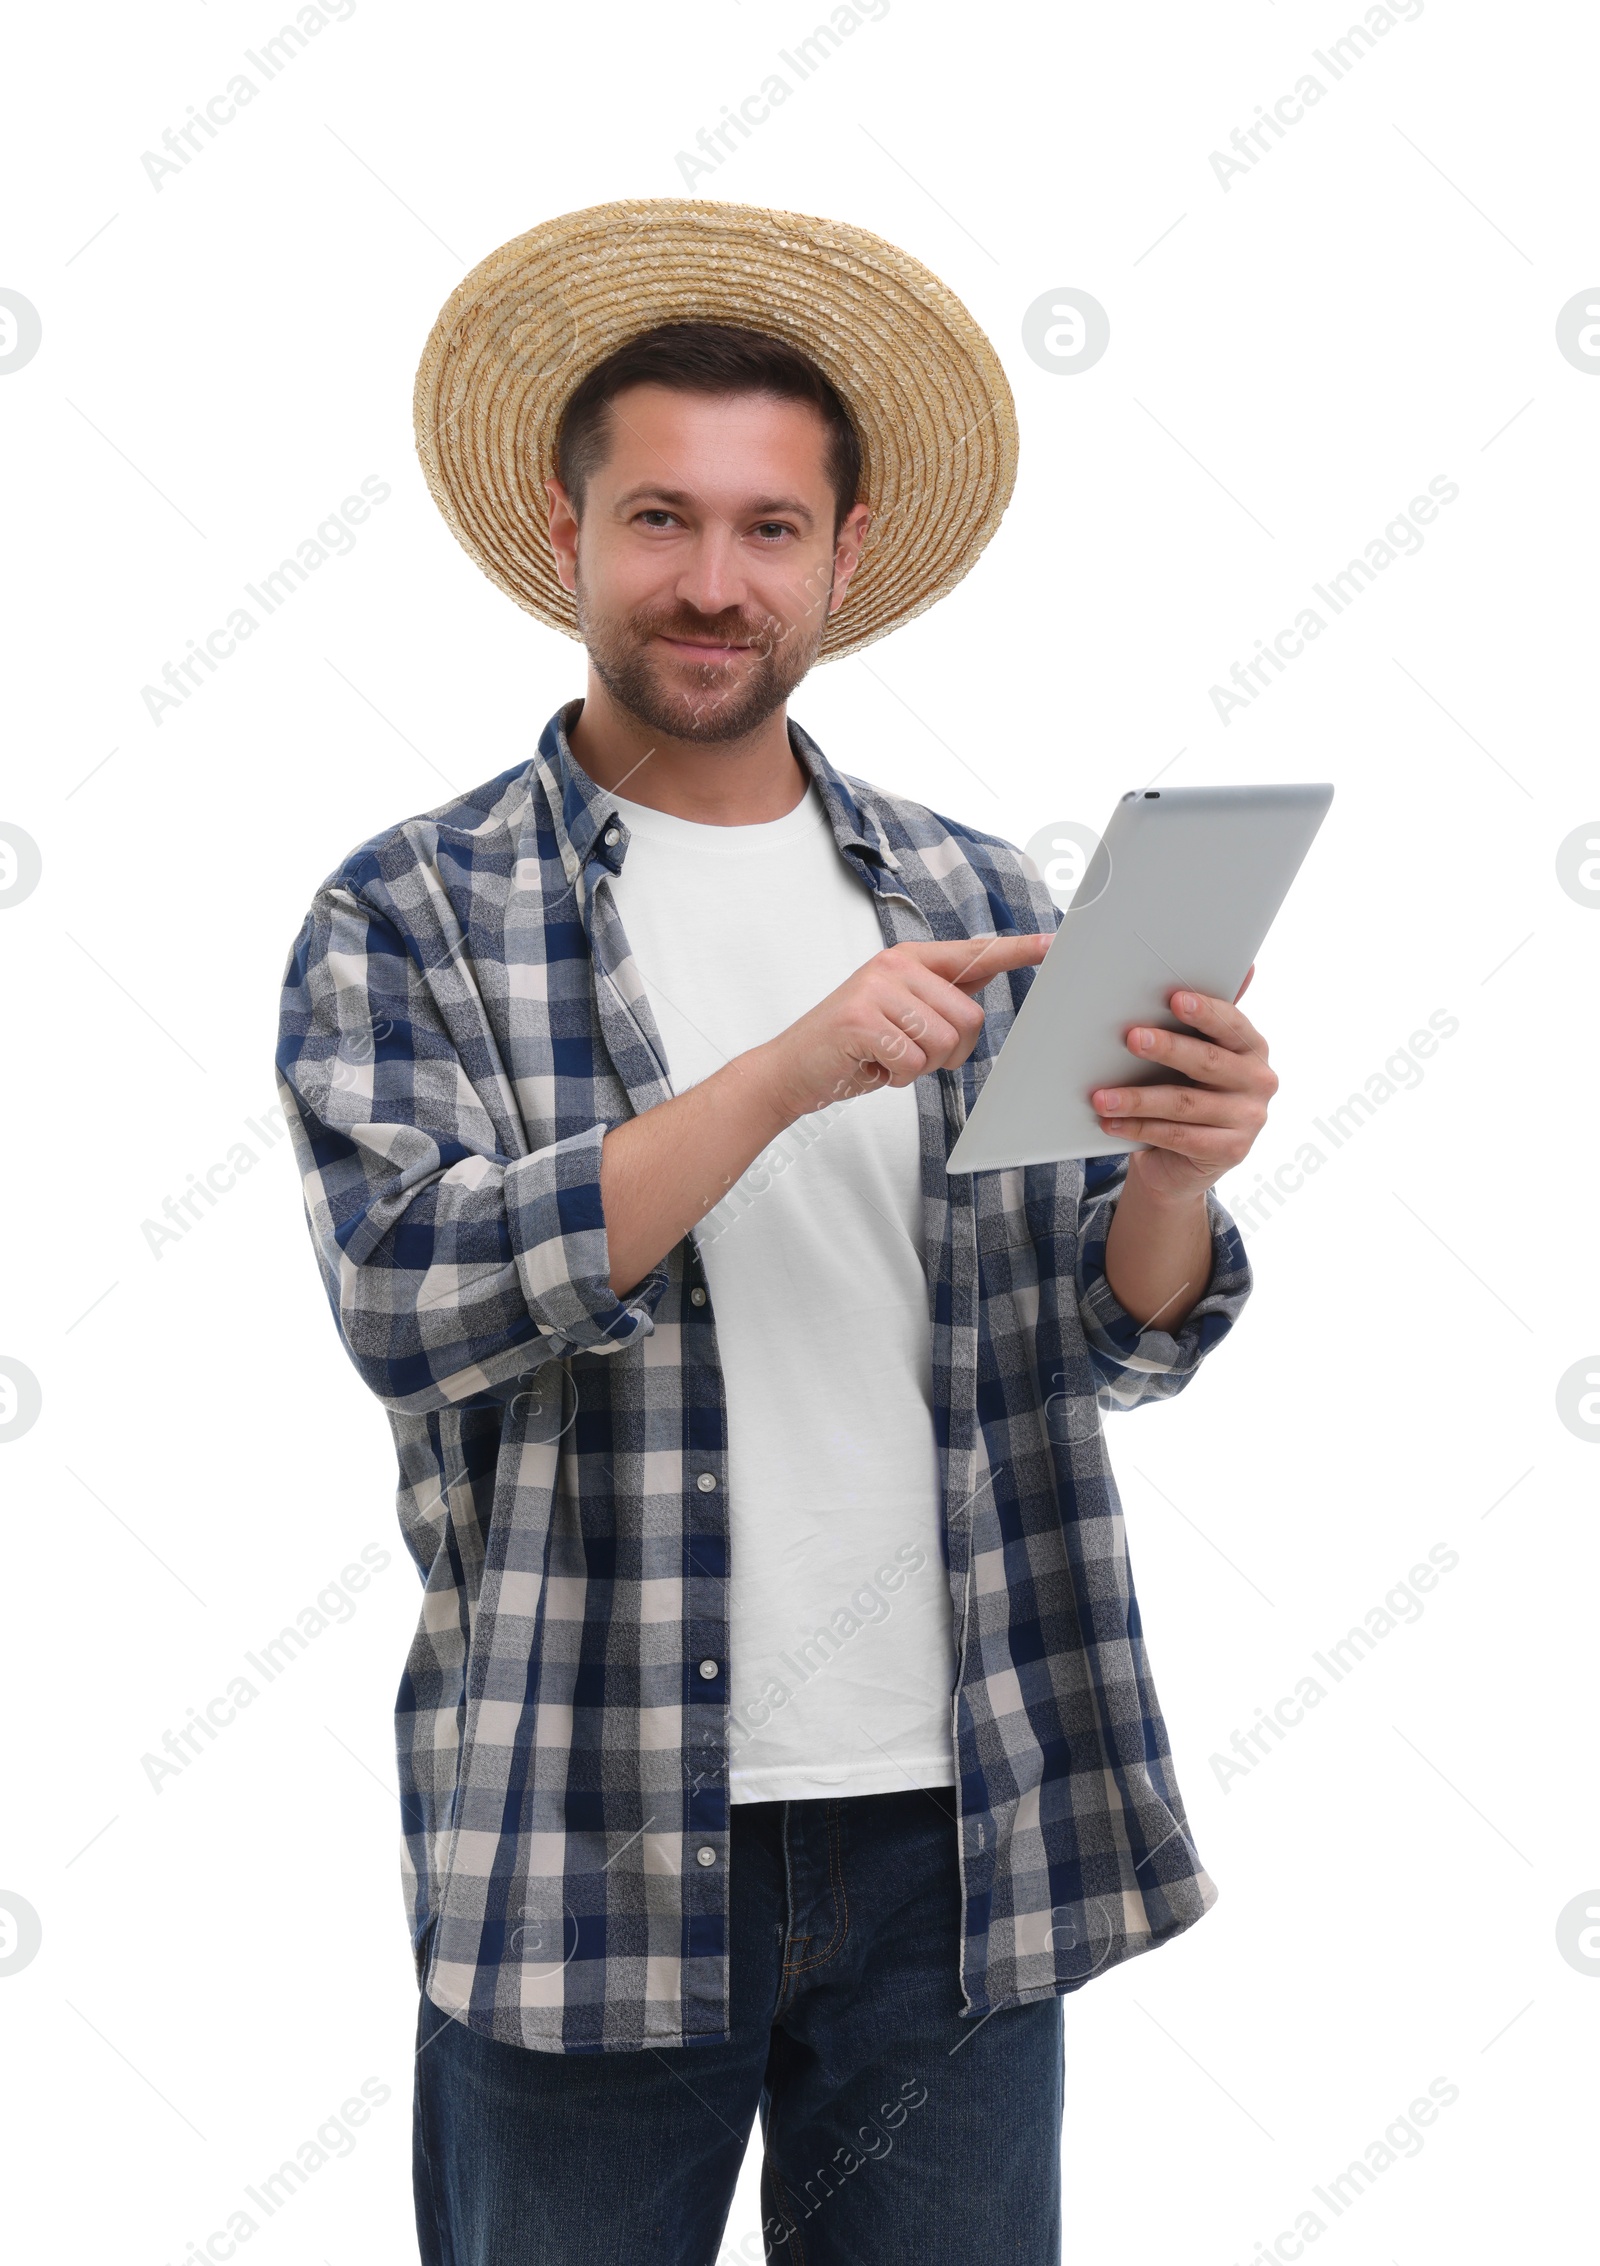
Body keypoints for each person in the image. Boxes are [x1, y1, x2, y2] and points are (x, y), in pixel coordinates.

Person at [276, 199, 1275, 2266]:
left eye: (760, 528)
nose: (708, 582)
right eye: (658, 519)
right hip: (590, 1828)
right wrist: (775, 1075)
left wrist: (1173, 1173)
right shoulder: (413, 912)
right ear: (563, 542)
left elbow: (1104, 1337)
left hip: (963, 1824)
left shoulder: (962, 881)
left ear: (840, 553)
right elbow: (411, 1295)